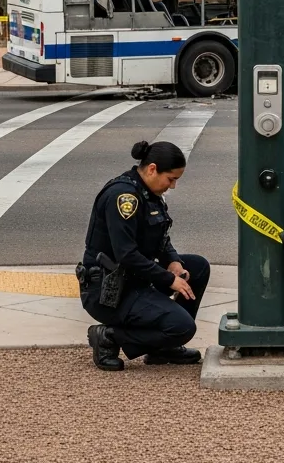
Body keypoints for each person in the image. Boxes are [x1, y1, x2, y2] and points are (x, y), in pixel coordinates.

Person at [78, 140, 209, 371]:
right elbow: (126, 254)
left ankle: (163, 348)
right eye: (171, 179)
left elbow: (160, 237)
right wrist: (169, 280)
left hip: (134, 280)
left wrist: (173, 261)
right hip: (109, 291)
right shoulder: (124, 197)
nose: (173, 186)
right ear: (152, 169)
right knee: (183, 328)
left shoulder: (148, 193)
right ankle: (109, 336)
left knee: (196, 267)